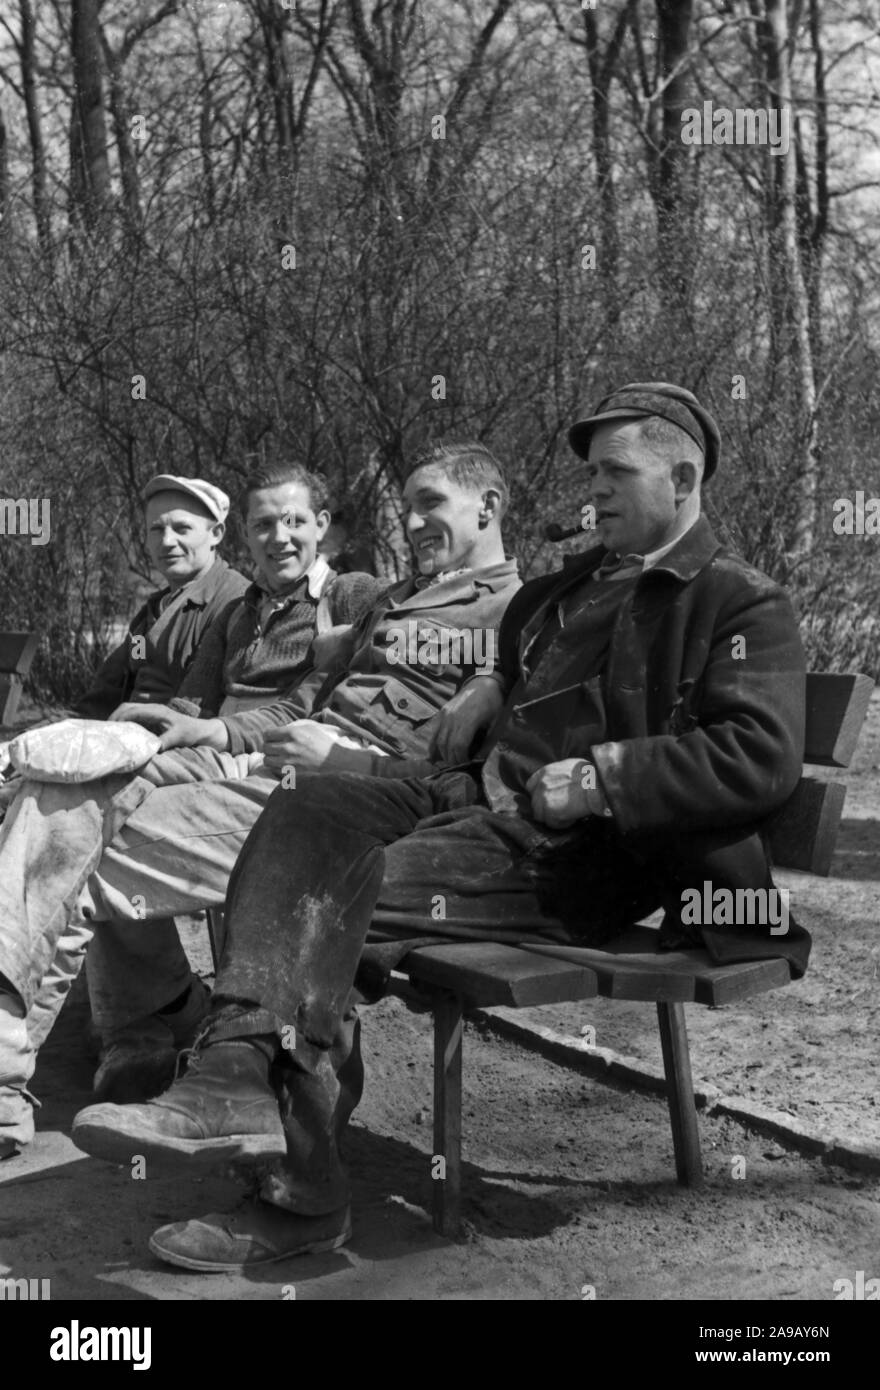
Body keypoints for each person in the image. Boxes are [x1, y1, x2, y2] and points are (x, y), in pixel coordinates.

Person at [71, 383, 811, 1272]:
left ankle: (297, 1189)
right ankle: (236, 1079)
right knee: (304, 802)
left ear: (684, 477)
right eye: (592, 473)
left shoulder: (735, 599)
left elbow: (759, 754)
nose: (595, 492)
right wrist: (492, 682)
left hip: (581, 851)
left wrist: (609, 775)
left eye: (617, 473)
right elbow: (509, 661)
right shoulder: (564, 590)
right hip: (472, 800)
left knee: (331, 893)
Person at [0, 442, 520, 1155]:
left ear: (489, 507)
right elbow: (312, 692)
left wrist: (472, 691)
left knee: (72, 834)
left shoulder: (518, 612)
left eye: (431, 505)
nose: (414, 524)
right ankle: (98, 1042)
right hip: (275, 776)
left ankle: (108, 1047)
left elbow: (486, 774)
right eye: (408, 510)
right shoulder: (397, 599)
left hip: (344, 806)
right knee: (62, 805)